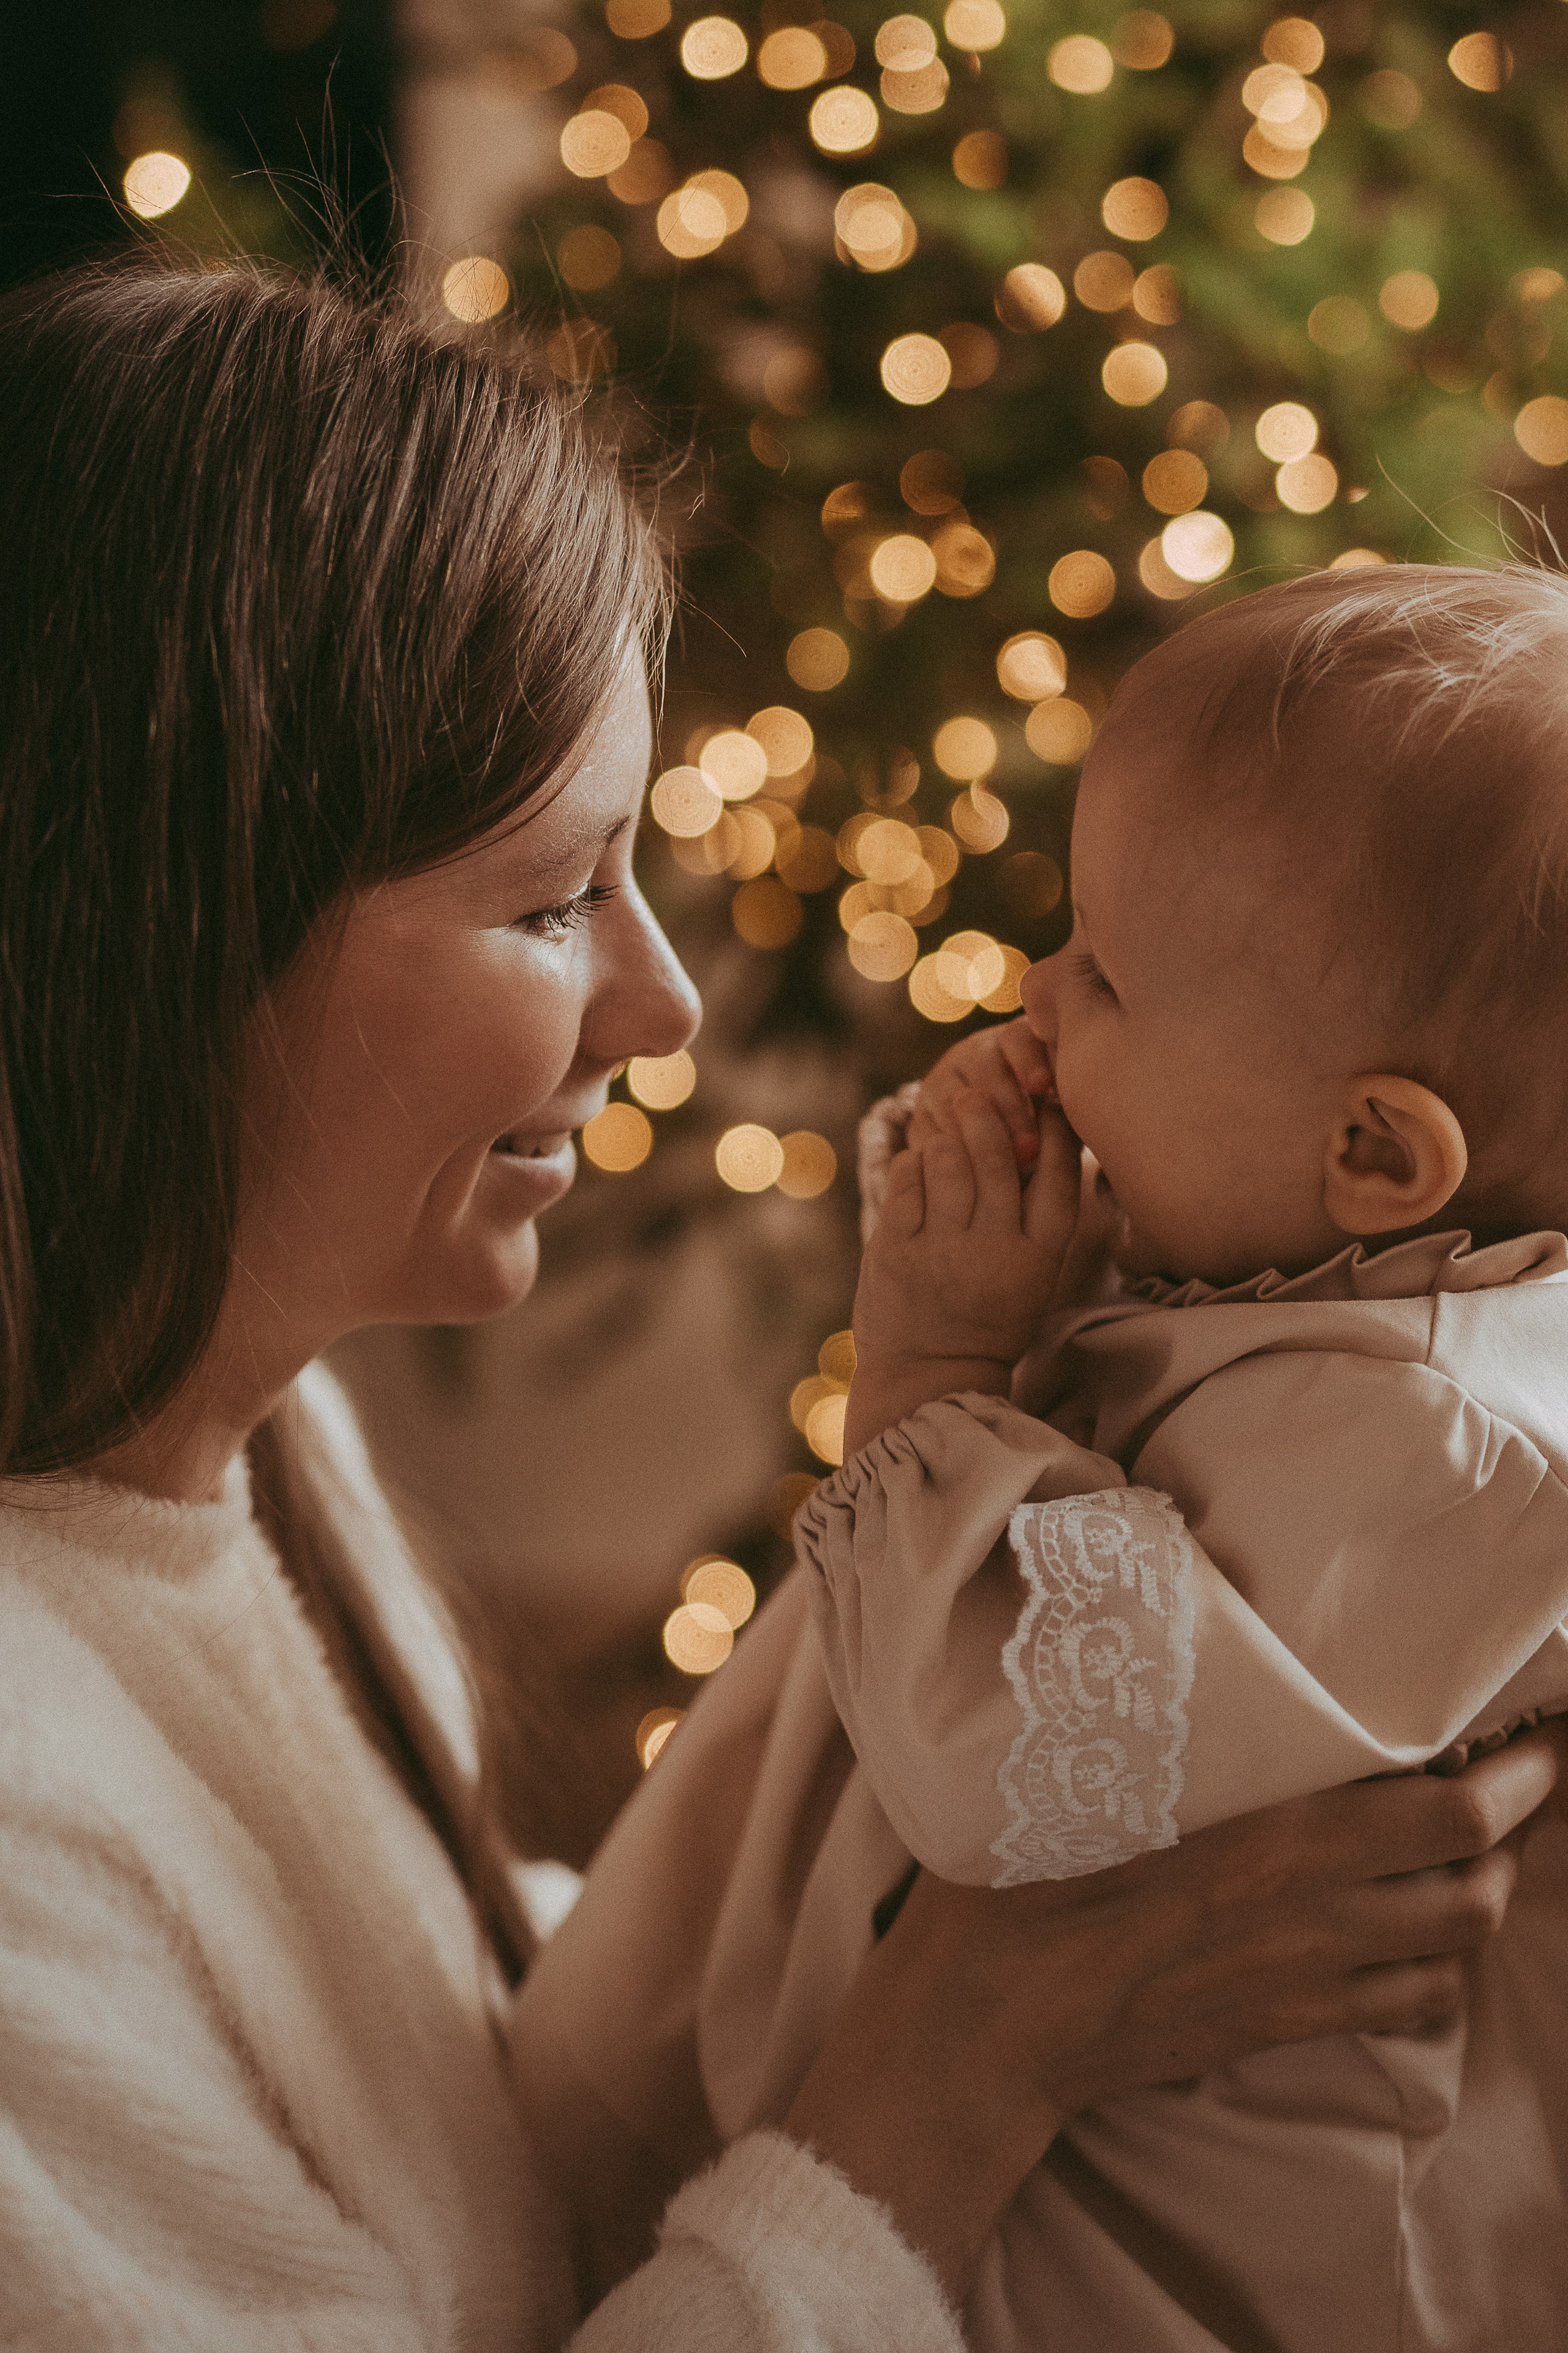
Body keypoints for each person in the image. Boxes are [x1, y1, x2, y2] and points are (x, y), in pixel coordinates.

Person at [0, 257, 1558, 2353]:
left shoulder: (245, 1427)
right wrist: (960, 2060)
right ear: (170, 922)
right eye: (552, 900)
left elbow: (403, 2119)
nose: (655, 1005)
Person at [512, 565, 1568, 2349]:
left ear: (1379, 1151)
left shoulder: (1444, 1444)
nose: (1040, 988)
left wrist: (933, 1365)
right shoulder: (1329, 1298)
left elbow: (1016, 1778)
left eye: (1111, 974)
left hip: (1157, 2282)